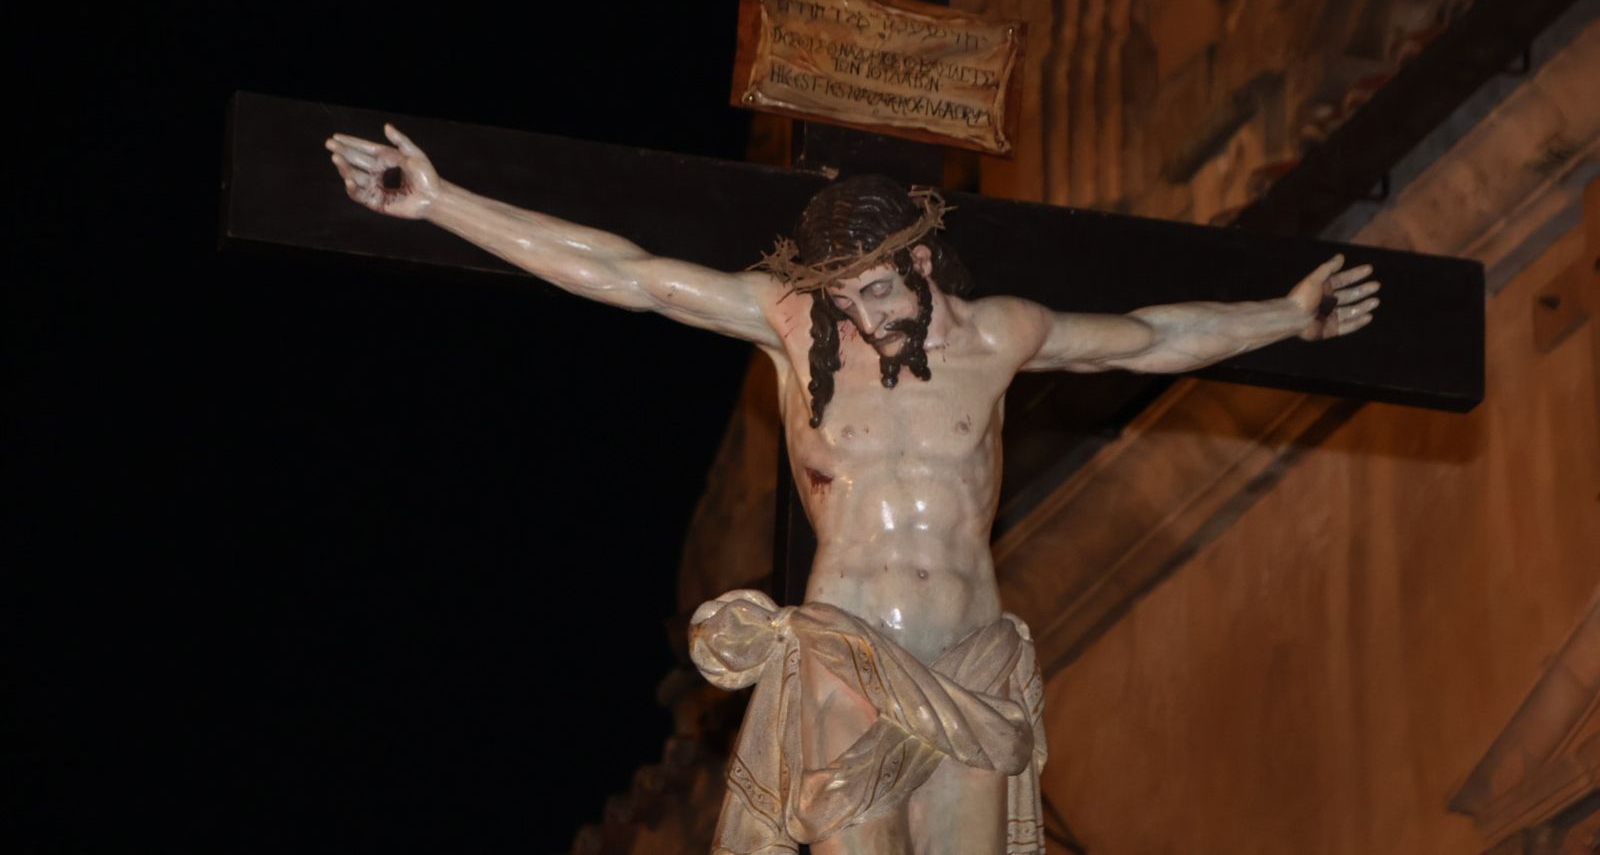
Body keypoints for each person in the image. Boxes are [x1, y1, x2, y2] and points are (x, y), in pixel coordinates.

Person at [326, 125, 1379, 855]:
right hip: (843, 657)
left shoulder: (1001, 334)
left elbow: (1153, 337)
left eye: (876, 289)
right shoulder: (792, 328)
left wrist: (1286, 317)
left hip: (968, 660)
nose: (863, 319)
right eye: (841, 297)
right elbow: (626, 271)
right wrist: (441, 201)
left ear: (923, 262)